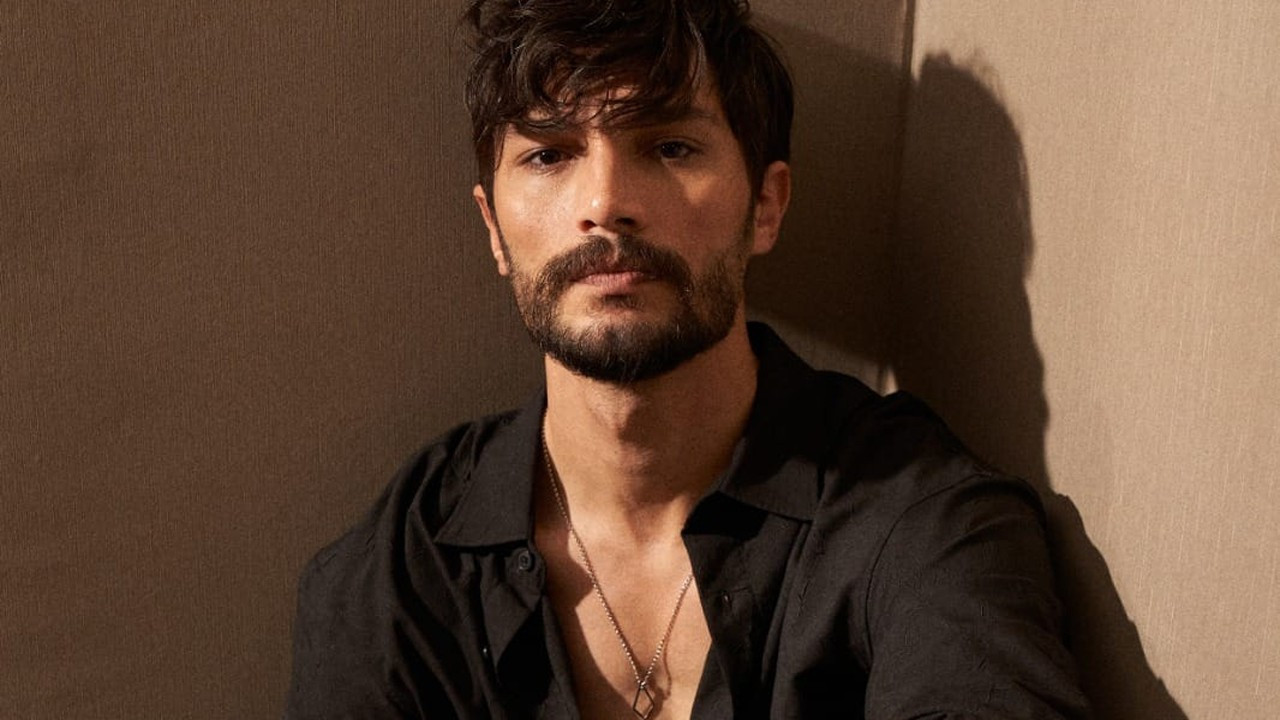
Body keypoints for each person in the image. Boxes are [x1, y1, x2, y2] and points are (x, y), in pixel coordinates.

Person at [283, 0, 1090, 717]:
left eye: (669, 146)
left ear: (765, 206)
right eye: (550, 154)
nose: (605, 204)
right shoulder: (402, 572)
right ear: (494, 228)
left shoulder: (919, 523)